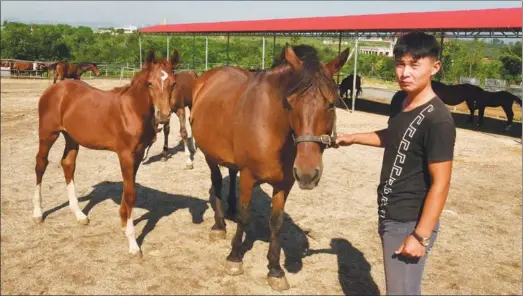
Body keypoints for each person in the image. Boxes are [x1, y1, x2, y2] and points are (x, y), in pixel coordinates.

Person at [336, 31, 456, 295]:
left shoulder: (438, 120)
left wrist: (419, 235)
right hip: (391, 213)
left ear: (434, 67)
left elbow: (442, 182)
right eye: (400, 64)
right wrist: (353, 138)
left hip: (409, 221)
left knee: (401, 291)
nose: (405, 73)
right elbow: (396, 136)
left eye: (415, 65)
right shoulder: (403, 103)